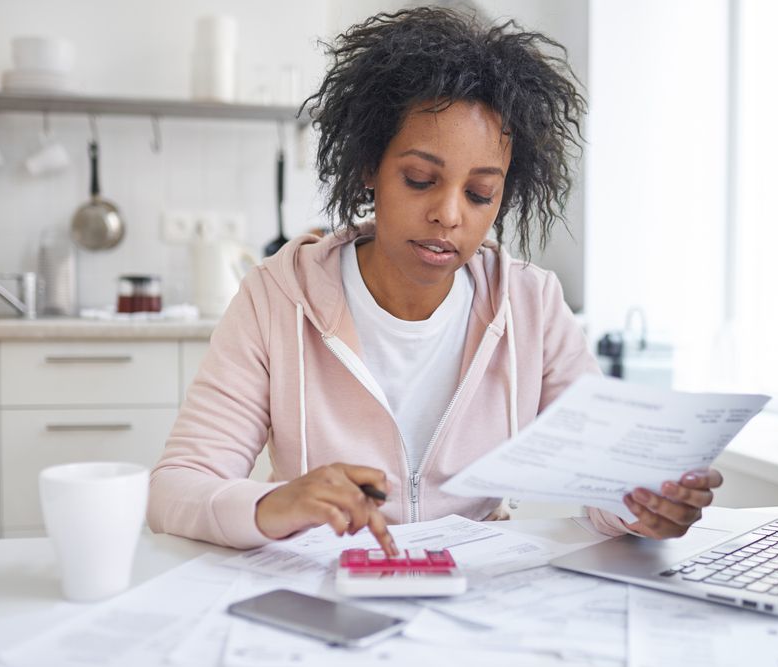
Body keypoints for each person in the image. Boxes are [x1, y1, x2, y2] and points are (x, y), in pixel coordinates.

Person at [147, 7, 723, 553]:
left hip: (470, 590)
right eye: (421, 179)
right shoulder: (276, 298)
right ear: (370, 167)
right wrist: (274, 504)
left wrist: (645, 505)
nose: (450, 214)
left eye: (480, 194)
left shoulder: (532, 305)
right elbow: (175, 487)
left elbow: (606, 480)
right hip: (326, 582)